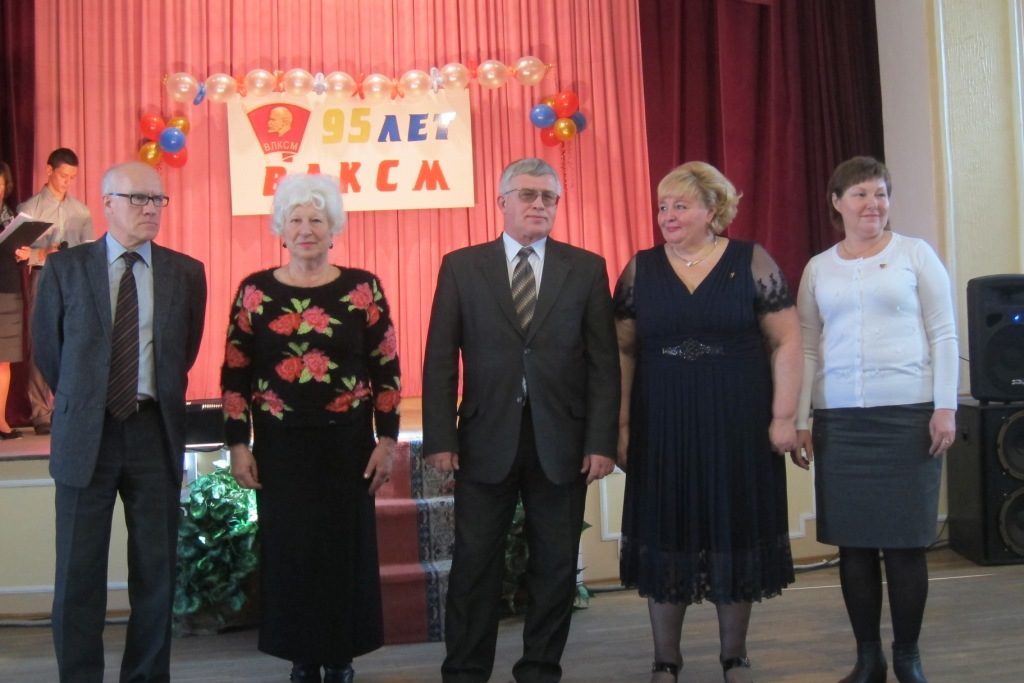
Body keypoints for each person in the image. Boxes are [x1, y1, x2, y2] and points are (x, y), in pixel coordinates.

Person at [422, 157, 620, 683]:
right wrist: (440, 437)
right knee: (474, 564)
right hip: (484, 439)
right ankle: (465, 672)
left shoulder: (586, 268)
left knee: (555, 566)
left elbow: (604, 364)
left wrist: (602, 441)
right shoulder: (462, 267)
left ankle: (539, 670)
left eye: (548, 197)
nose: (539, 204)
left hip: (563, 442)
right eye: (528, 194)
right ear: (502, 202)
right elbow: (440, 359)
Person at [615, 161, 802, 683]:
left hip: (738, 421)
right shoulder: (640, 269)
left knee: (733, 529)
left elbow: (787, 339)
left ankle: (734, 656)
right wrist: (621, 426)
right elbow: (622, 351)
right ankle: (665, 660)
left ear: (713, 209)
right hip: (661, 423)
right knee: (665, 532)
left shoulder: (751, 261)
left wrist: (784, 415)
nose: (667, 215)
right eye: (662, 206)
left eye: (680, 205)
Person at [32, 161, 207, 682]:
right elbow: (49, 351)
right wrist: (87, 398)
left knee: (156, 572)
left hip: (154, 431)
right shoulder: (66, 269)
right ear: (107, 203)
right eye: (139, 198)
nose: (151, 209)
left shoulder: (185, 272)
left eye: (158, 200)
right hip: (86, 432)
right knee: (78, 572)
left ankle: (146, 676)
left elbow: (183, 351)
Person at [222, 173, 400, 683]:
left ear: (333, 229)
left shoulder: (362, 288)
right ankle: (302, 658)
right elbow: (235, 371)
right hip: (280, 448)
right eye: (296, 219)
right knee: (292, 553)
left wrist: (387, 440)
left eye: (317, 220)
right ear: (281, 228)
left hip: (348, 445)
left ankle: (340, 658)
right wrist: (238, 444)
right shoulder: (255, 292)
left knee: (344, 553)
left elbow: (385, 367)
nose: (306, 229)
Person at [794, 156, 957, 683]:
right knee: (855, 548)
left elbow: (944, 334)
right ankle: (869, 659)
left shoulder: (916, 254)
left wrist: (946, 406)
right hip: (840, 422)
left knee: (906, 546)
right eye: (861, 194)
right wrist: (802, 417)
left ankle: (908, 656)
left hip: (908, 418)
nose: (873, 204)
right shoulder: (818, 268)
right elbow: (808, 346)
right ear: (836, 202)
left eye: (881, 193)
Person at [17, 147, 95, 434]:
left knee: (74, 341)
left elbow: (89, 249)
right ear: (49, 171)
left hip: (74, 279)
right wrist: (43, 254)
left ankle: (70, 406)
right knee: (41, 341)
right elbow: (18, 252)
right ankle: (41, 412)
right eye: (63, 175)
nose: (67, 182)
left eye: (72, 177)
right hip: (43, 276)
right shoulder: (30, 209)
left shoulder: (81, 211)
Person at [0, 161, 24, 438]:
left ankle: (1, 421)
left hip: (7, 288)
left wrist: (23, 253)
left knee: (3, 359)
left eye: (1, 184)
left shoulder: (11, 216)